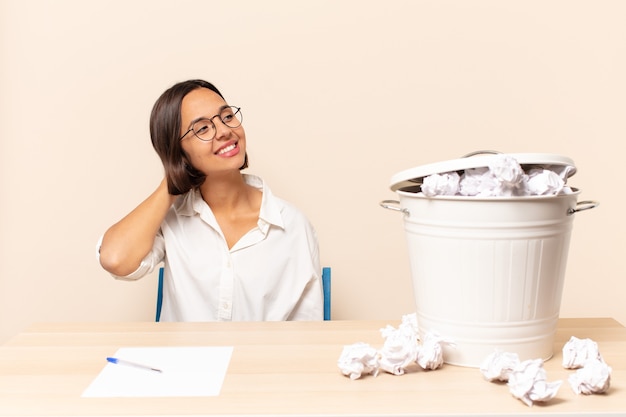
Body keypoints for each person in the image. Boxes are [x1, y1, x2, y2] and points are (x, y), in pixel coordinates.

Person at [97, 79, 323, 321]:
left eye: (226, 117)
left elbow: (308, 329)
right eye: (202, 129)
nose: (226, 131)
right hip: (184, 359)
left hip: (261, 359)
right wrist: (172, 181)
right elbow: (115, 259)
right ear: (178, 151)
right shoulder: (171, 221)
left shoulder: (292, 225)